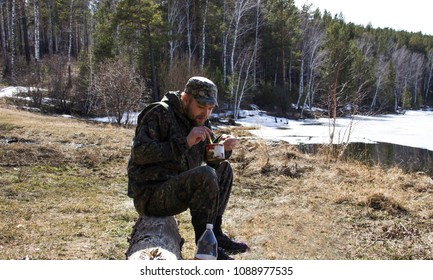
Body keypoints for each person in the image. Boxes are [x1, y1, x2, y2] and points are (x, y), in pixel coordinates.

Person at [127, 76, 249, 260]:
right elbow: (140, 153)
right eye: (201, 107)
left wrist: (222, 149)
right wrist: (185, 142)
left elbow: (210, 160)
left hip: (176, 189)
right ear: (185, 99)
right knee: (206, 175)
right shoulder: (159, 112)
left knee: (223, 170)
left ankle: (214, 235)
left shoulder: (200, 120)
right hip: (150, 195)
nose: (206, 114)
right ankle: (206, 249)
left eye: (210, 109)